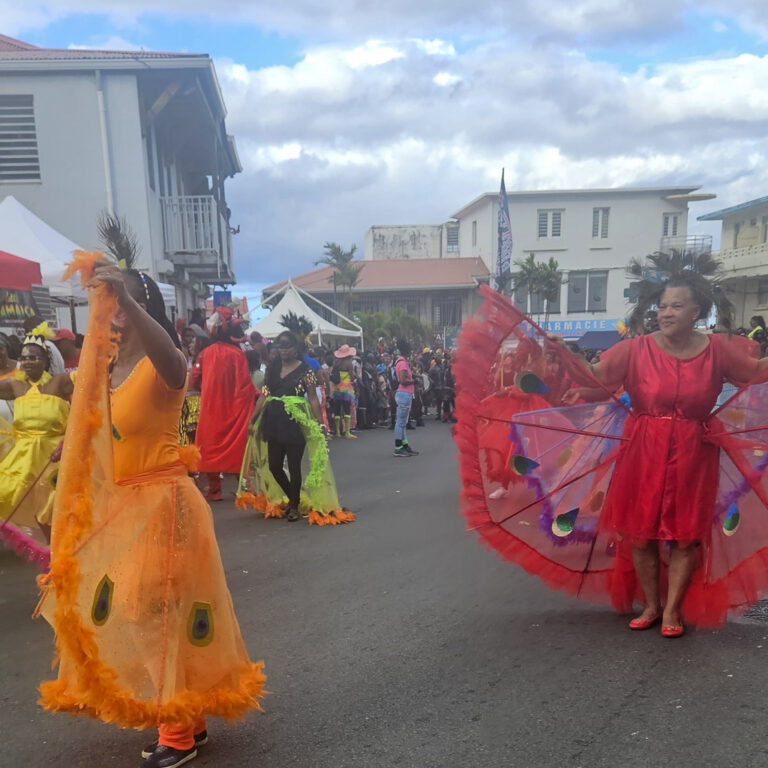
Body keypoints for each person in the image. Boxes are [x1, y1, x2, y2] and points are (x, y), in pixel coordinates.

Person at [37, 253, 264, 768]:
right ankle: (191, 717)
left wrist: (132, 303)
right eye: (107, 299)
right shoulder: (103, 368)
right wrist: (71, 448)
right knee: (147, 612)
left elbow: (177, 365)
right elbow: (103, 435)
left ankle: (177, 734)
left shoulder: (163, 362)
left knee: (155, 613)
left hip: (165, 504)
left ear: (141, 304)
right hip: (121, 509)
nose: (111, 308)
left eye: (120, 299)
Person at [456, 275, 768, 637]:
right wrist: (564, 351)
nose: (666, 313)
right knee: (640, 534)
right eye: (663, 306)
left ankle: (671, 611)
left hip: (695, 452)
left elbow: (756, 372)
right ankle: (651, 605)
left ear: (696, 311)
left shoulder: (717, 349)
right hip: (643, 450)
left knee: (686, 536)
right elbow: (595, 376)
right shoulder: (635, 349)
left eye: (676, 306)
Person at [237, 330, 353, 525]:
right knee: (274, 465)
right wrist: (252, 419)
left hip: (296, 421)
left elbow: (314, 399)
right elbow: (264, 395)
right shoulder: (272, 368)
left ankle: (293, 505)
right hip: (272, 420)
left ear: (295, 348)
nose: (283, 349)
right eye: (280, 346)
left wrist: (321, 423)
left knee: (294, 465)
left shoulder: (305, 371)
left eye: (287, 345)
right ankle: (294, 496)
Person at [0, 323, 71, 567]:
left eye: (34, 357)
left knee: (55, 509)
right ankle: (46, 553)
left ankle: (60, 554)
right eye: (23, 358)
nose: (28, 362)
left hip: (55, 457)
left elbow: (89, 392)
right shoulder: (15, 386)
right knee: (9, 496)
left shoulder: (60, 382)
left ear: (45, 359)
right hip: (24, 459)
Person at [190, 307, 256, 501]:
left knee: (209, 448)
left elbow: (194, 379)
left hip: (210, 409)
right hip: (233, 410)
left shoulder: (205, 354)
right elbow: (245, 384)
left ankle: (215, 489)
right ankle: (245, 488)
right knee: (237, 448)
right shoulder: (237, 354)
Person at [392, 339, 419, 457]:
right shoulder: (402, 363)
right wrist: (415, 381)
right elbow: (402, 380)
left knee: (403, 422)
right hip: (404, 394)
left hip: (404, 394)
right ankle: (398, 447)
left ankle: (404, 445)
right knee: (400, 422)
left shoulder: (400, 361)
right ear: (406, 350)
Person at [329, 345, 358, 439]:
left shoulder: (336, 363)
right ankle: (347, 432)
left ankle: (337, 432)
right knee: (346, 409)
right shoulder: (349, 363)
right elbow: (352, 377)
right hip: (346, 388)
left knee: (337, 410)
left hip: (337, 388)